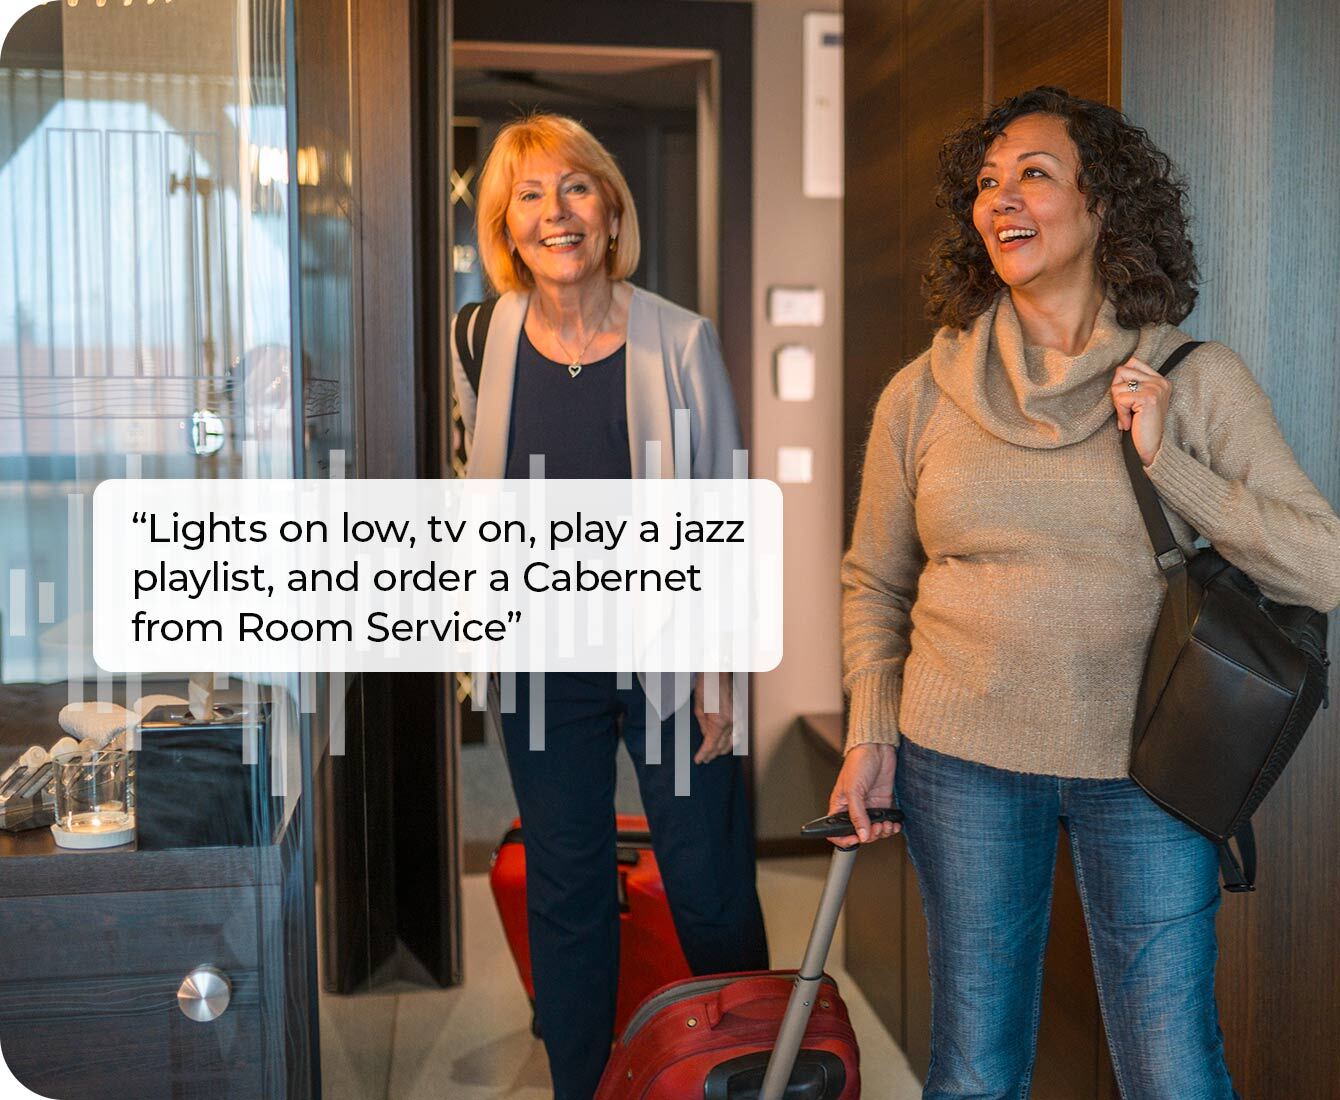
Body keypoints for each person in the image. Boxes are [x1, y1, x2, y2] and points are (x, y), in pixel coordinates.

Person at [829, 86, 1340, 1100]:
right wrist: (867, 728)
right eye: (985, 181)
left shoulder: (1189, 379)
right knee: (973, 1066)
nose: (999, 198)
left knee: (1171, 1069)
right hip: (957, 759)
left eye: (1032, 173)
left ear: (1104, 204)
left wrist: (1173, 468)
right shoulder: (920, 391)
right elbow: (874, 581)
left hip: (1148, 767)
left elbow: (1320, 563)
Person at [451, 113, 768, 1099]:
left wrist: (721, 672)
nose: (556, 212)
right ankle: (581, 1085)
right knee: (568, 890)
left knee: (707, 880)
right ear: (504, 228)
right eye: (531, 196)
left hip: (670, 655)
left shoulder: (679, 339)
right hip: (543, 662)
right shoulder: (480, 337)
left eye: (575, 187)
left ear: (610, 207)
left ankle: (750, 1067)